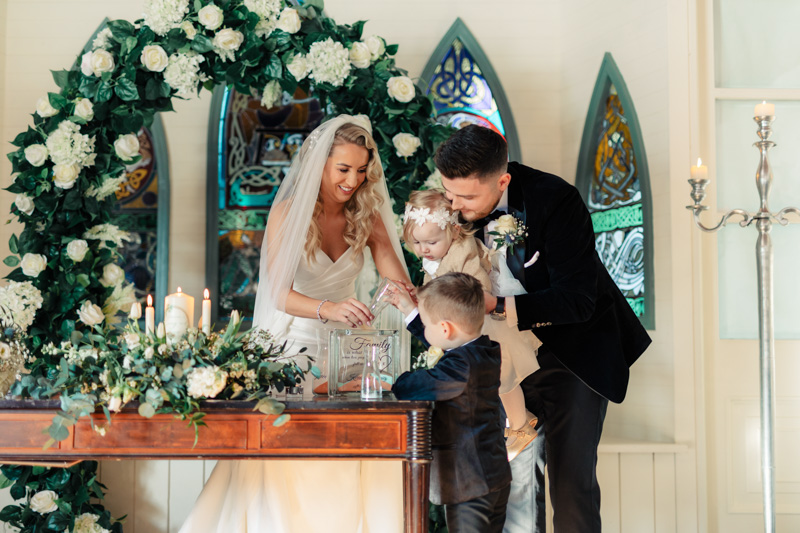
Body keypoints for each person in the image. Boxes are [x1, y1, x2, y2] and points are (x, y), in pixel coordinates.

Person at [179, 115, 412, 533]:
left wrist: (411, 283)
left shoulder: (367, 215)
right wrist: (329, 308)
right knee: (296, 453)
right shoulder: (289, 213)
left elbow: (398, 284)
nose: (353, 180)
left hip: (349, 353)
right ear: (318, 164)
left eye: (361, 170)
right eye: (343, 169)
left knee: (353, 449)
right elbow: (278, 295)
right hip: (294, 349)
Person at [433, 125, 652, 532]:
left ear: (502, 182)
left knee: (571, 487)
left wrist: (497, 305)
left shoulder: (555, 199)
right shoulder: (453, 208)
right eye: (449, 194)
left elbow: (578, 299)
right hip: (504, 363)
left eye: (467, 198)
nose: (456, 207)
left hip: (571, 355)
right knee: (514, 484)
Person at [402, 189, 539, 460]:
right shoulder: (436, 254)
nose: (423, 249)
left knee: (503, 377)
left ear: (454, 231)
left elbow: (478, 287)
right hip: (471, 326)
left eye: (430, 242)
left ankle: (521, 427)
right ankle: (521, 417)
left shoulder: (463, 250)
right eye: (416, 242)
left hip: (487, 322)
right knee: (498, 380)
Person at [391, 272, 512, 533]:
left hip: (469, 485)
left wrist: (389, 382)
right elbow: (447, 343)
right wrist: (411, 312)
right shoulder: (483, 350)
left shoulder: (459, 366)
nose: (425, 329)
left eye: (426, 324)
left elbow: (418, 385)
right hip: (493, 477)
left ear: (445, 328)